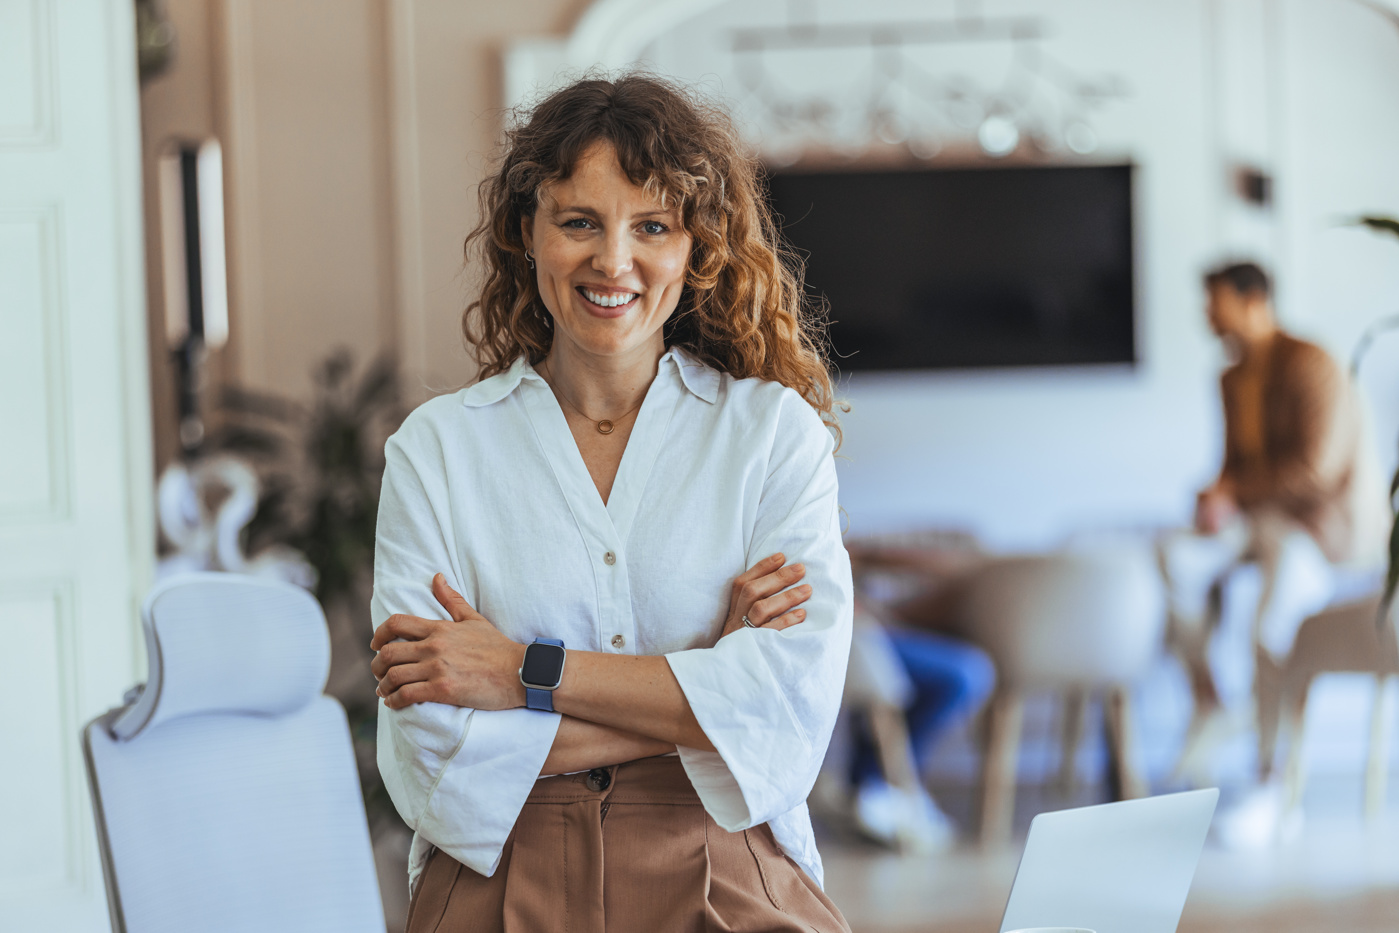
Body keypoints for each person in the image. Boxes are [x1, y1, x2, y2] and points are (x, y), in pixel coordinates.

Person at [366, 75, 854, 931]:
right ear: (528, 231)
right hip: (502, 868)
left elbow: (785, 714)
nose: (613, 260)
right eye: (579, 221)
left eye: (652, 226)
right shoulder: (436, 452)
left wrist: (518, 671)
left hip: (724, 857)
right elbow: (434, 751)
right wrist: (706, 685)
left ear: (695, 246)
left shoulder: (772, 436)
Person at [1159, 262, 1387, 826]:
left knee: (1270, 625)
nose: (1207, 316)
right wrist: (1216, 495)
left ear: (1252, 301)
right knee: (1175, 558)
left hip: (1314, 527)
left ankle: (1271, 777)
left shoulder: (1311, 364)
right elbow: (1235, 465)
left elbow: (1316, 468)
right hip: (1256, 520)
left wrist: (1232, 488)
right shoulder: (1231, 377)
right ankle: (1209, 695)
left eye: (1215, 302)